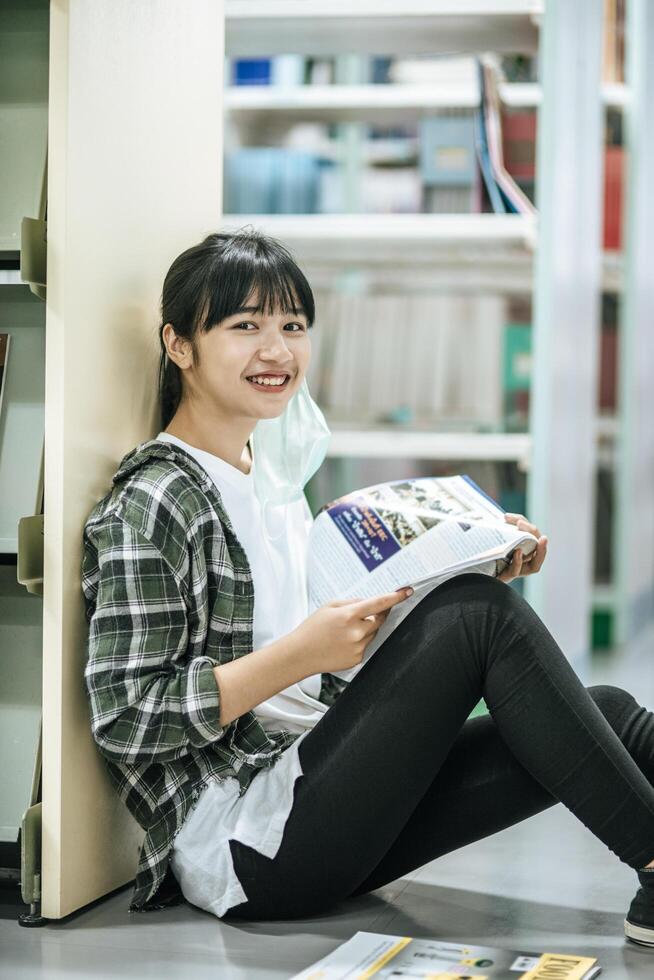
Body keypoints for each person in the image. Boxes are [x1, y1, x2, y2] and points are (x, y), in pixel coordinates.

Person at [82, 230, 654, 948]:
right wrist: (304, 654)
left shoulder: (274, 481)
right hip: (250, 845)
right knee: (477, 619)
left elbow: (332, 659)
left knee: (609, 710)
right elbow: (127, 716)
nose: (278, 351)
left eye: (293, 326)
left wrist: (469, 558)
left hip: (324, 789)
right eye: (245, 326)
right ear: (180, 346)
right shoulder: (158, 498)